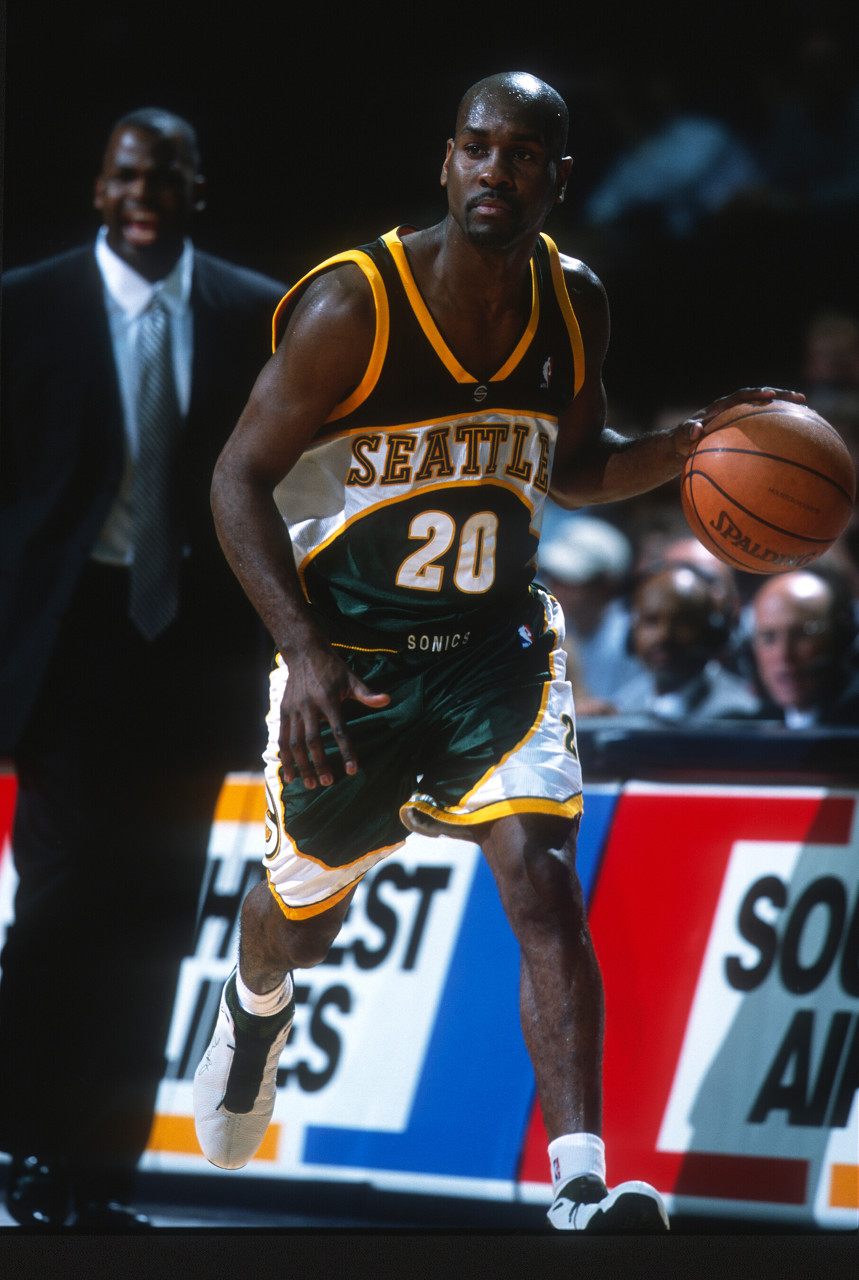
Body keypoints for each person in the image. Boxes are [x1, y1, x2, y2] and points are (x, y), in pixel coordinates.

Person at [191, 72, 803, 1233]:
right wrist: (301, 648)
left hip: (495, 649)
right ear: (446, 160)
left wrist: (690, 447)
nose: (494, 170)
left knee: (542, 882)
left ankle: (580, 1182)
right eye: (477, 147)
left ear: (556, 178)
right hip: (353, 657)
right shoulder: (354, 306)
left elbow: (574, 467)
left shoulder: (574, 300)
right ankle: (256, 1001)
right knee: (301, 915)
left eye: (522, 155)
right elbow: (236, 478)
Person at [0, 108, 286, 1229]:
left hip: (191, 657)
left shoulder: (256, 313)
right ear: (99, 188)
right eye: (126, 175)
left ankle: (99, 1179)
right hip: (67, 644)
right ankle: (27, 1144)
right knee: (61, 904)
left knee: (157, 922)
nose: (144, 193)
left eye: (165, 176)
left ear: (195, 188)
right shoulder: (24, 306)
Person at [610, 562, 761, 720]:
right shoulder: (625, 703)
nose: (663, 636)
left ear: (713, 632)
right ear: (632, 630)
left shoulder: (737, 715)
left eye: (681, 622)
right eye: (651, 621)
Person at [536, 512, 641, 711]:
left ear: (604, 585)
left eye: (570, 579)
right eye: (553, 576)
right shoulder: (549, 628)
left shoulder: (632, 637)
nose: (554, 586)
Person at [749, 568, 859, 727]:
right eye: (768, 637)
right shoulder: (749, 726)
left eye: (802, 634)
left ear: (840, 638)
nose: (783, 655)